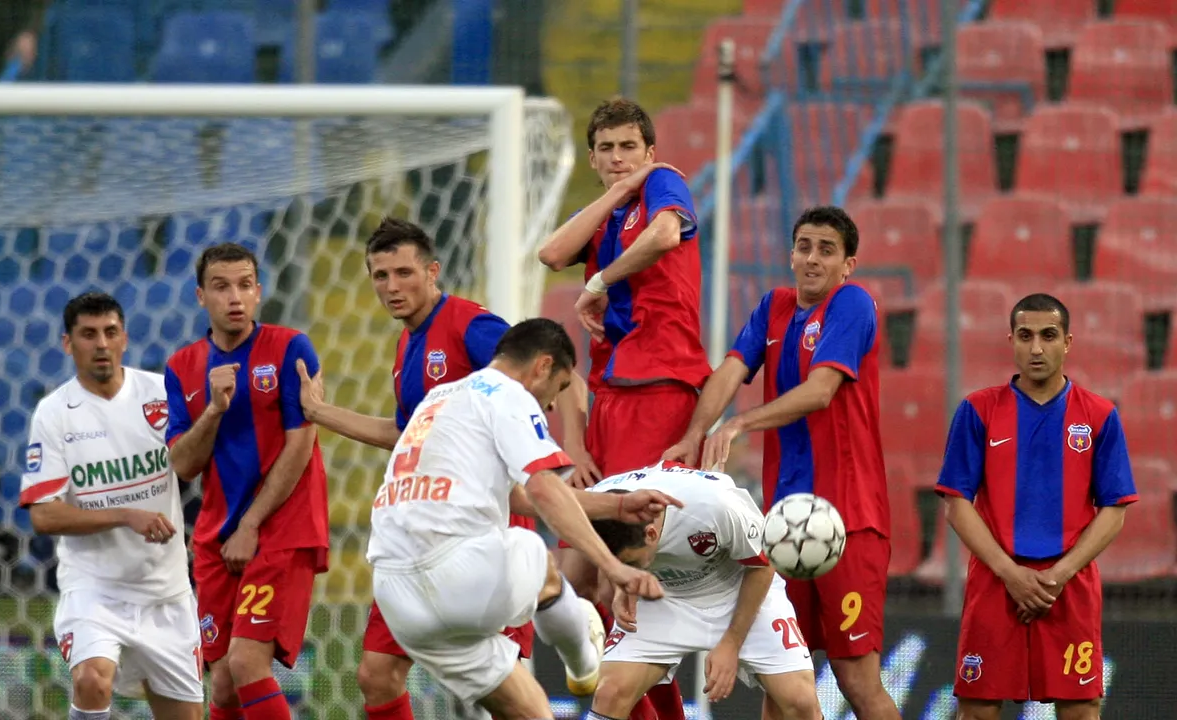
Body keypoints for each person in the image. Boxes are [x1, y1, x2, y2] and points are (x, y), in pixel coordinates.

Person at [294, 217, 598, 720]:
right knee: (375, 673)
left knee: (499, 698)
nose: (392, 286)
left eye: (404, 273)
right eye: (380, 275)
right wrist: (321, 413)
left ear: (433, 271)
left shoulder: (469, 326)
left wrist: (577, 450)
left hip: (483, 529)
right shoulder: (405, 345)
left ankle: (567, 620)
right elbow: (403, 434)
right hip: (421, 535)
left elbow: (552, 370)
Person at [366, 318, 674, 720]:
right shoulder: (507, 394)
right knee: (537, 554)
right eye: (559, 389)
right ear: (542, 366)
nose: (549, 405)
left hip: (396, 595)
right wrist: (612, 566)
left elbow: (521, 497)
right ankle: (585, 662)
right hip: (456, 572)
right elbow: (544, 490)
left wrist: (615, 507)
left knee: (533, 714)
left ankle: (580, 654)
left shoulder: (438, 398)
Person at [664, 205, 901, 719]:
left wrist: (740, 423)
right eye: (804, 247)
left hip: (846, 522)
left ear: (848, 264)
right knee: (783, 677)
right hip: (783, 525)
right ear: (791, 254)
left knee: (857, 680)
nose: (812, 259)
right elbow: (730, 369)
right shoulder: (773, 306)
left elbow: (820, 391)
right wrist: (693, 434)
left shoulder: (852, 305)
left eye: (826, 250)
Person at [536, 96, 711, 720]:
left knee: (622, 578)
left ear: (650, 153)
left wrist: (600, 282)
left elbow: (666, 234)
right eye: (606, 149)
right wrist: (578, 446)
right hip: (610, 402)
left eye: (628, 148)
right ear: (593, 157)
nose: (617, 158)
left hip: (658, 391)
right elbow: (551, 253)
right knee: (573, 577)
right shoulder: (610, 215)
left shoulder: (665, 187)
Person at [935, 293, 1137, 720]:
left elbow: (1115, 510)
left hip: (1069, 586)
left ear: (1068, 342)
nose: (1037, 348)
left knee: (1081, 710)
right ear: (1011, 341)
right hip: (995, 582)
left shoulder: (1100, 415)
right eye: (1025, 336)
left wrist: (1057, 576)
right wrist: (1012, 575)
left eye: (1048, 335)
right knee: (976, 711)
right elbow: (956, 503)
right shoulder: (978, 410)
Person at [165, 244, 329, 720]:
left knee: (245, 662)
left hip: (281, 526)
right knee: (222, 685)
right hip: (218, 536)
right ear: (201, 296)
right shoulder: (182, 367)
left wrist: (253, 523)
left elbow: (301, 442)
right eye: (221, 286)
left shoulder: (291, 347)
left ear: (259, 292)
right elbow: (183, 464)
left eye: (244, 285)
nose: (234, 297)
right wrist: (214, 408)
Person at [20, 292, 202, 720]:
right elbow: (43, 514)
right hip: (95, 591)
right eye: (88, 334)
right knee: (91, 679)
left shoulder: (161, 393)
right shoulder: (54, 414)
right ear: (68, 343)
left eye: (110, 332)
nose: (101, 343)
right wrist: (125, 514)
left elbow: (200, 461)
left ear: (124, 338)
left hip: (167, 593)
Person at [585, 462, 822, 720]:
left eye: (629, 561)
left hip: (740, 589)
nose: (623, 567)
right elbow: (602, 552)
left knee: (800, 702)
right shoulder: (595, 502)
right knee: (610, 693)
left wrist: (731, 644)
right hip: (663, 595)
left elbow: (763, 565)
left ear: (651, 533)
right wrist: (624, 583)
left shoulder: (714, 506)